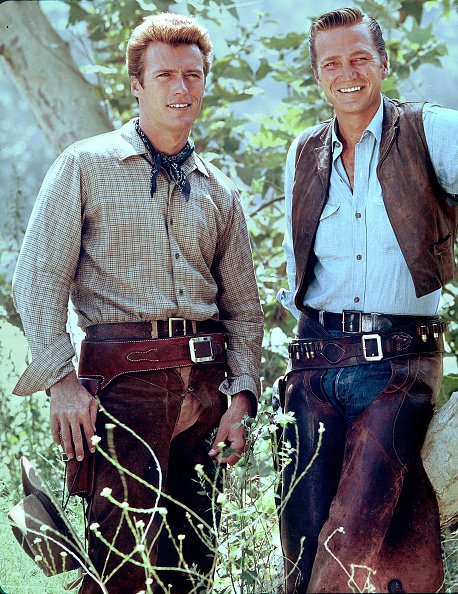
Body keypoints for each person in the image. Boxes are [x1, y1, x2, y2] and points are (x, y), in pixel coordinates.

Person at [12, 12, 263, 594]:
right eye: (166, 75)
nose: (182, 88)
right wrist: (61, 381)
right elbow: (39, 276)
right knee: (121, 568)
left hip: (205, 391)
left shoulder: (219, 189)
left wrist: (241, 395)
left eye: (193, 75)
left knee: (193, 564)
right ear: (137, 84)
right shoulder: (85, 164)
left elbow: (245, 310)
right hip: (120, 387)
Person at [276, 7, 457, 594]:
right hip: (314, 366)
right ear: (317, 75)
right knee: (301, 542)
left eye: (359, 57)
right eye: (332, 62)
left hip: (397, 367)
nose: (347, 72)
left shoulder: (432, 130)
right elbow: (297, 269)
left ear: (384, 61)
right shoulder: (302, 153)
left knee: (347, 533)